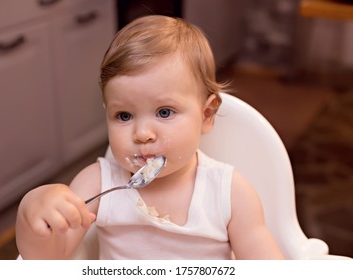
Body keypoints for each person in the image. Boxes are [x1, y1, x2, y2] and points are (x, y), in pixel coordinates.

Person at [15, 15, 284, 260]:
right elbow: (47, 261)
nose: (142, 134)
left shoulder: (231, 194)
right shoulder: (96, 183)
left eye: (164, 112)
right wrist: (33, 215)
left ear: (206, 115)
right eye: (123, 116)